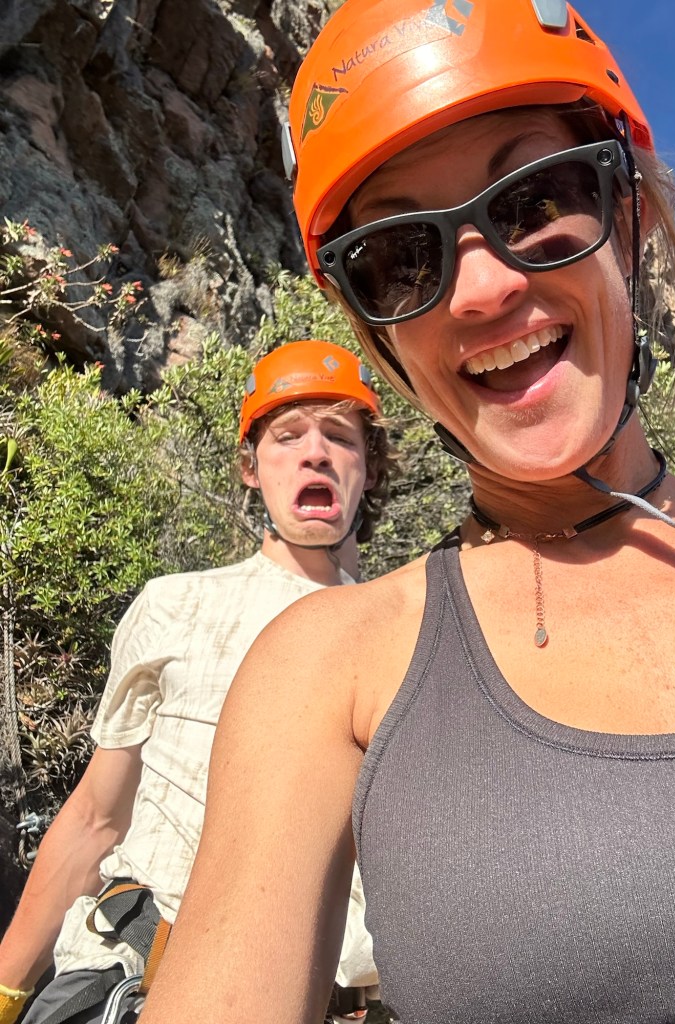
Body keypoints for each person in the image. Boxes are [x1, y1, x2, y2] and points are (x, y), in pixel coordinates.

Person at [139, 1, 675, 1022]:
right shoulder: (327, 668)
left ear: (629, 215)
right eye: (400, 259)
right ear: (376, 332)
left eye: (534, 200)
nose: (478, 289)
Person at [0, 339, 397, 1024]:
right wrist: (7, 991)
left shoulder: (404, 633)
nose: (315, 453)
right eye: (286, 436)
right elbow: (96, 819)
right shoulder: (174, 605)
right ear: (250, 467)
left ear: (368, 468)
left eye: (340, 436)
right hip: (135, 981)